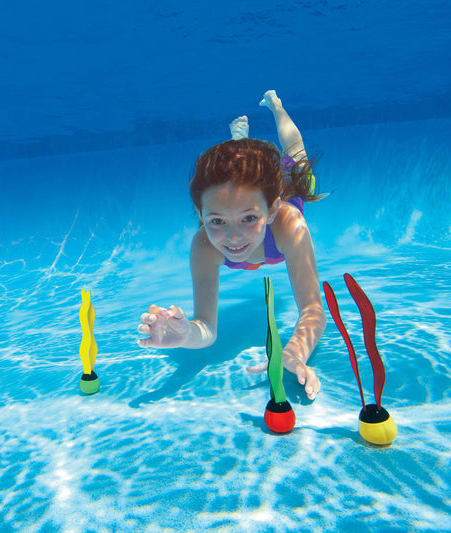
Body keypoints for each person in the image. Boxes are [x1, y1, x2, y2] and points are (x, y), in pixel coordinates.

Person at [137, 90, 326, 400]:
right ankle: (240, 142)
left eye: (250, 219)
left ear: (271, 210)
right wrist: (186, 335)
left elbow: (313, 308)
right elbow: (206, 330)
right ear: (200, 215)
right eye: (217, 221)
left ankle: (276, 106)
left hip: (282, 193)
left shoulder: (289, 225)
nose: (234, 238)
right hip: (252, 203)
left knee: (298, 163)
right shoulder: (204, 246)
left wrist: (294, 351)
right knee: (239, 166)